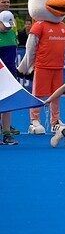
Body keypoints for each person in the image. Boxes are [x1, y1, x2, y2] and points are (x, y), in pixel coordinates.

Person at [0, 8, 19, 145]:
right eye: (5, 25)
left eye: (9, 25)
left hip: (10, 73)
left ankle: (6, 134)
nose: (7, 28)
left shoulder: (12, 33)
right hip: (0, 73)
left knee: (8, 104)